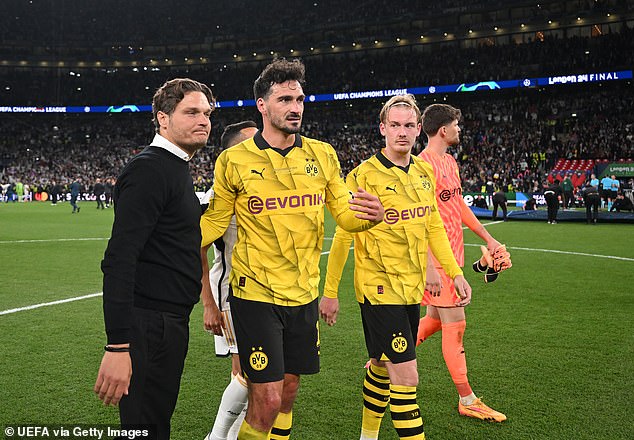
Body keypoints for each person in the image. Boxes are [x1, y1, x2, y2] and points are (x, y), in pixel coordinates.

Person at [199, 58, 384, 440]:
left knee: (287, 392)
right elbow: (214, 225)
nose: (295, 107)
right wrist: (170, 233)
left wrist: (372, 217)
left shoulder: (323, 154)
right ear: (262, 106)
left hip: (302, 294)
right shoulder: (233, 160)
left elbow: (347, 218)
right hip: (254, 295)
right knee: (264, 400)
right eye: (285, 99)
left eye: (299, 98)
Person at [320, 95, 471, 440]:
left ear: (419, 129)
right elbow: (343, 237)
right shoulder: (363, 176)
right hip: (377, 289)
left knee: (380, 366)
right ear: (382, 129)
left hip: (412, 289)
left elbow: (432, 225)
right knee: (407, 377)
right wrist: (329, 293)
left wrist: (454, 272)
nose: (402, 133)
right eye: (395, 125)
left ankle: (367, 436)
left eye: (408, 126)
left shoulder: (422, 171)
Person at [94, 78, 215, 440]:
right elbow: (119, 258)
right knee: (145, 427)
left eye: (207, 113)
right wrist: (118, 345)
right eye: (191, 112)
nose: (204, 120)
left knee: (155, 424)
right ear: (163, 119)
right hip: (147, 324)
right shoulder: (150, 169)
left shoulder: (174, 167)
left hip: (167, 321)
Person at [416, 103, 509, 422]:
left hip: (454, 256)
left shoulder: (450, 162)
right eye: (456, 125)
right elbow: (421, 220)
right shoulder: (423, 166)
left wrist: (488, 238)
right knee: (456, 324)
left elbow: (458, 207)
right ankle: (467, 399)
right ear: (443, 130)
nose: (459, 130)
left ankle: (388, 355)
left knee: (437, 319)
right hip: (438, 261)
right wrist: (429, 266)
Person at [201, 121, 258, 440]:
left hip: (264, 293)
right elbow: (198, 247)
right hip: (232, 294)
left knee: (259, 375)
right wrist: (208, 304)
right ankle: (218, 436)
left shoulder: (262, 183)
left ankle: (229, 435)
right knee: (247, 373)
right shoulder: (220, 191)